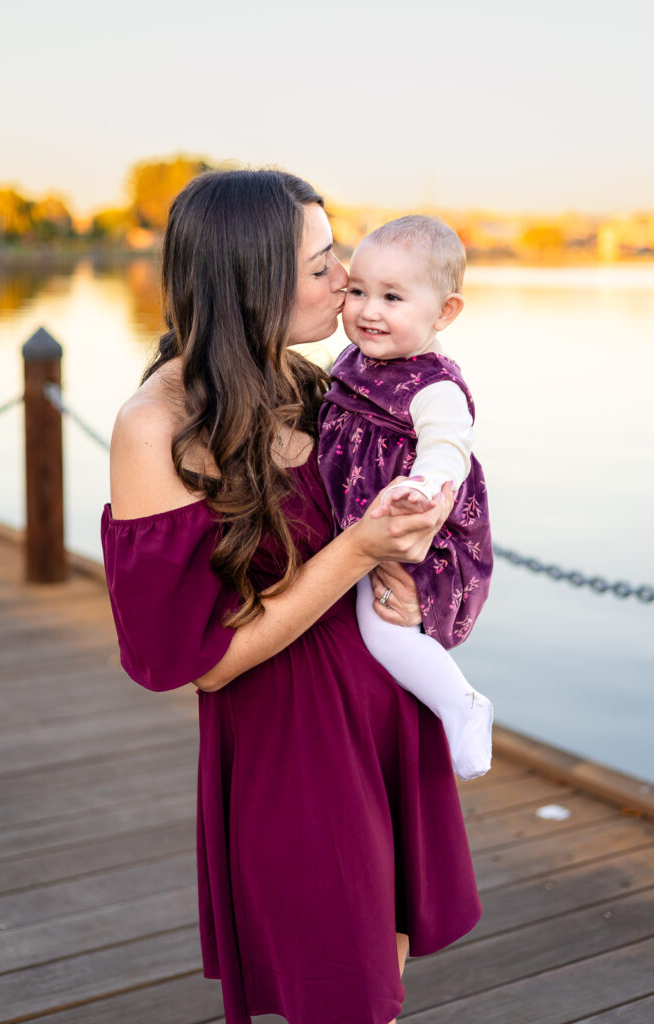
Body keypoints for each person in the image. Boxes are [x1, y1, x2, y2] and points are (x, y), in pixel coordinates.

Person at [101, 170, 482, 1024]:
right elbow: (192, 664)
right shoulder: (153, 427)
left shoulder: (317, 386)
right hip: (294, 743)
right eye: (319, 266)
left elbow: (415, 493)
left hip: (383, 715)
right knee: (336, 991)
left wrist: (417, 562)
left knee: (377, 983)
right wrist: (356, 552)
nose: (344, 280)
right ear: (251, 280)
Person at [317, 216, 494, 781]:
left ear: (444, 312)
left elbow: (448, 447)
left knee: (384, 628)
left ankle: (462, 705)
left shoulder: (433, 385)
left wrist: (421, 488)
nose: (368, 310)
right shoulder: (352, 363)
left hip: (410, 524)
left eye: (392, 297)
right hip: (360, 521)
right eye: (358, 291)